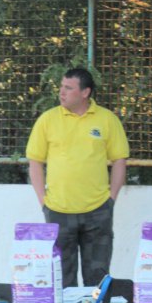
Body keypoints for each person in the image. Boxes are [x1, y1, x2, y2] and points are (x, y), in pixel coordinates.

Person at [26, 67, 130, 288]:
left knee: (98, 278)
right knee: (62, 278)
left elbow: (119, 161)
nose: (61, 92)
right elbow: (35, 161)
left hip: (98, 211)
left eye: (68, 88)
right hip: (58, 210)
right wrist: (43, 201)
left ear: (85, 93)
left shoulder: (107, 119)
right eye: (61, 87)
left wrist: (110, 199)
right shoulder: (48, 120)